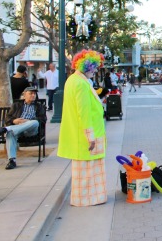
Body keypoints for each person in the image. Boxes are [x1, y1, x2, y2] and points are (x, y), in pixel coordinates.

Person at [57, 49, 107, 206]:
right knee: (88, 169)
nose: (96, 70)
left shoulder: (74, 80)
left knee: (87, 169)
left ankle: (89, 197)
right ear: (88, 67)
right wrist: (90, 135)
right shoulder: (80, 84)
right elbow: (83, 112)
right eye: (95, 67)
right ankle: (87, 198)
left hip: (84, 133)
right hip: (87, 134)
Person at [0, 87, 46, 170]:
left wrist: (28, 121)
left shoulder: (39, 106)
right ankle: (12, 161)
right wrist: (14, 120)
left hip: (31, 130)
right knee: (10, 134)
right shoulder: (16, 105)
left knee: (35, 122)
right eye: (30, 93)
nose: (33, 95)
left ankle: (8, 128)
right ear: (24, 95)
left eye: (34, 94)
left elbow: (43, 119)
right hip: (18, 129)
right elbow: (7, 118)